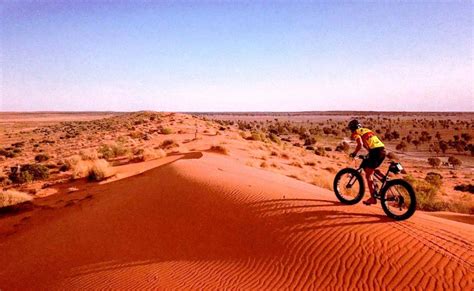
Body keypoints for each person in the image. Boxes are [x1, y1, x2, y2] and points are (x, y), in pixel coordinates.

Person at [347, 119, 386, 205]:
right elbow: (369, 144)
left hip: (375, 152)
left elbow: (360, 144)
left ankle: (373, 198)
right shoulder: (367, 130)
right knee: (372, 168)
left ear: (352, 128)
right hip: (382, 150)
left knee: (368, 174)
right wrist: (368, 154)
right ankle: (386, 181)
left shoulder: (356, 133)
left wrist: (354, 153)